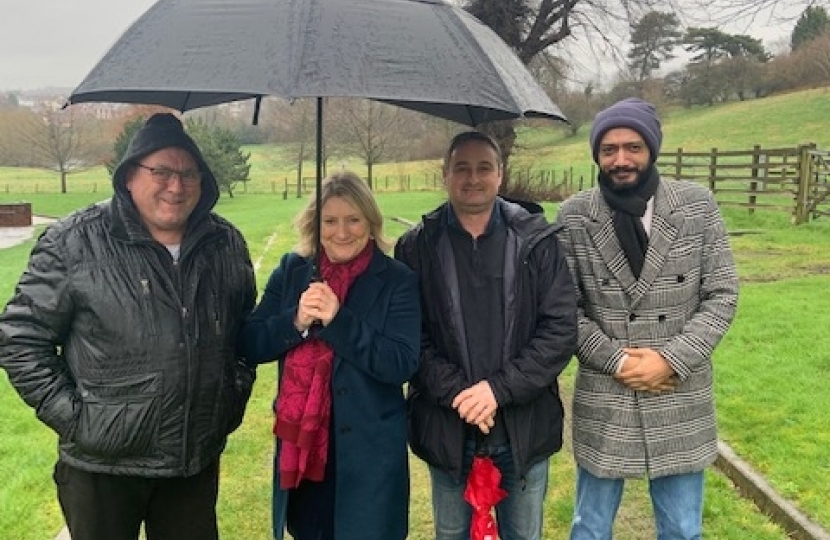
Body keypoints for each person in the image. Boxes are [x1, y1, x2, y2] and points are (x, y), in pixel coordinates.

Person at [0, 113, 257, 540]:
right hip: (102, 468)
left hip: (191, 461)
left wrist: (231, 394)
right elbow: (20, 339)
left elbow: (244, 333)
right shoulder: (74, 242)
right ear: (129, 176)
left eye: (188, 173)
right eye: (161, 171)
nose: (176, 186)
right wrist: (79, 420)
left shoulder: (225, 243)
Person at [555, 98, 740, 540]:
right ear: (597, 155)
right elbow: (564, 309)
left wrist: (671, 360)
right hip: (606, 392)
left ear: (652, 149)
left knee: (681, 528)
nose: (621, 159)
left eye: (633, 147)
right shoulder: (575, 216)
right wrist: (619, 361)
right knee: (590, 528)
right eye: (609, 149)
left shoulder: (696, 206)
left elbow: (722, 293)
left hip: (678, 391)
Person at [394, 131, 578, 540]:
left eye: (483, 168)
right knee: (451, 533)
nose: (472, 178)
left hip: (522, 428)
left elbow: (560, 330)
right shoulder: (416, 247)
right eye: (461, 168)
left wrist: (496, 391)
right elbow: (410, 336)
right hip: (448, 429)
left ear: (500, 174)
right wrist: (462, 395)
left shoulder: (538, 241)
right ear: (445, 175)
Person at [238, 171, 420, 540]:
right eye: (330, 220)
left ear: (370, 222)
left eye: (353, 220)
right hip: (306, 452)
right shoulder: (293, 272)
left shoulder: (397, 280)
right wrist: (297, 321)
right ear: (314, 224)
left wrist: (339, 320)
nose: (342, 232)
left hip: (368, 458)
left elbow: (400, 362)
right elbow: (251, 342)